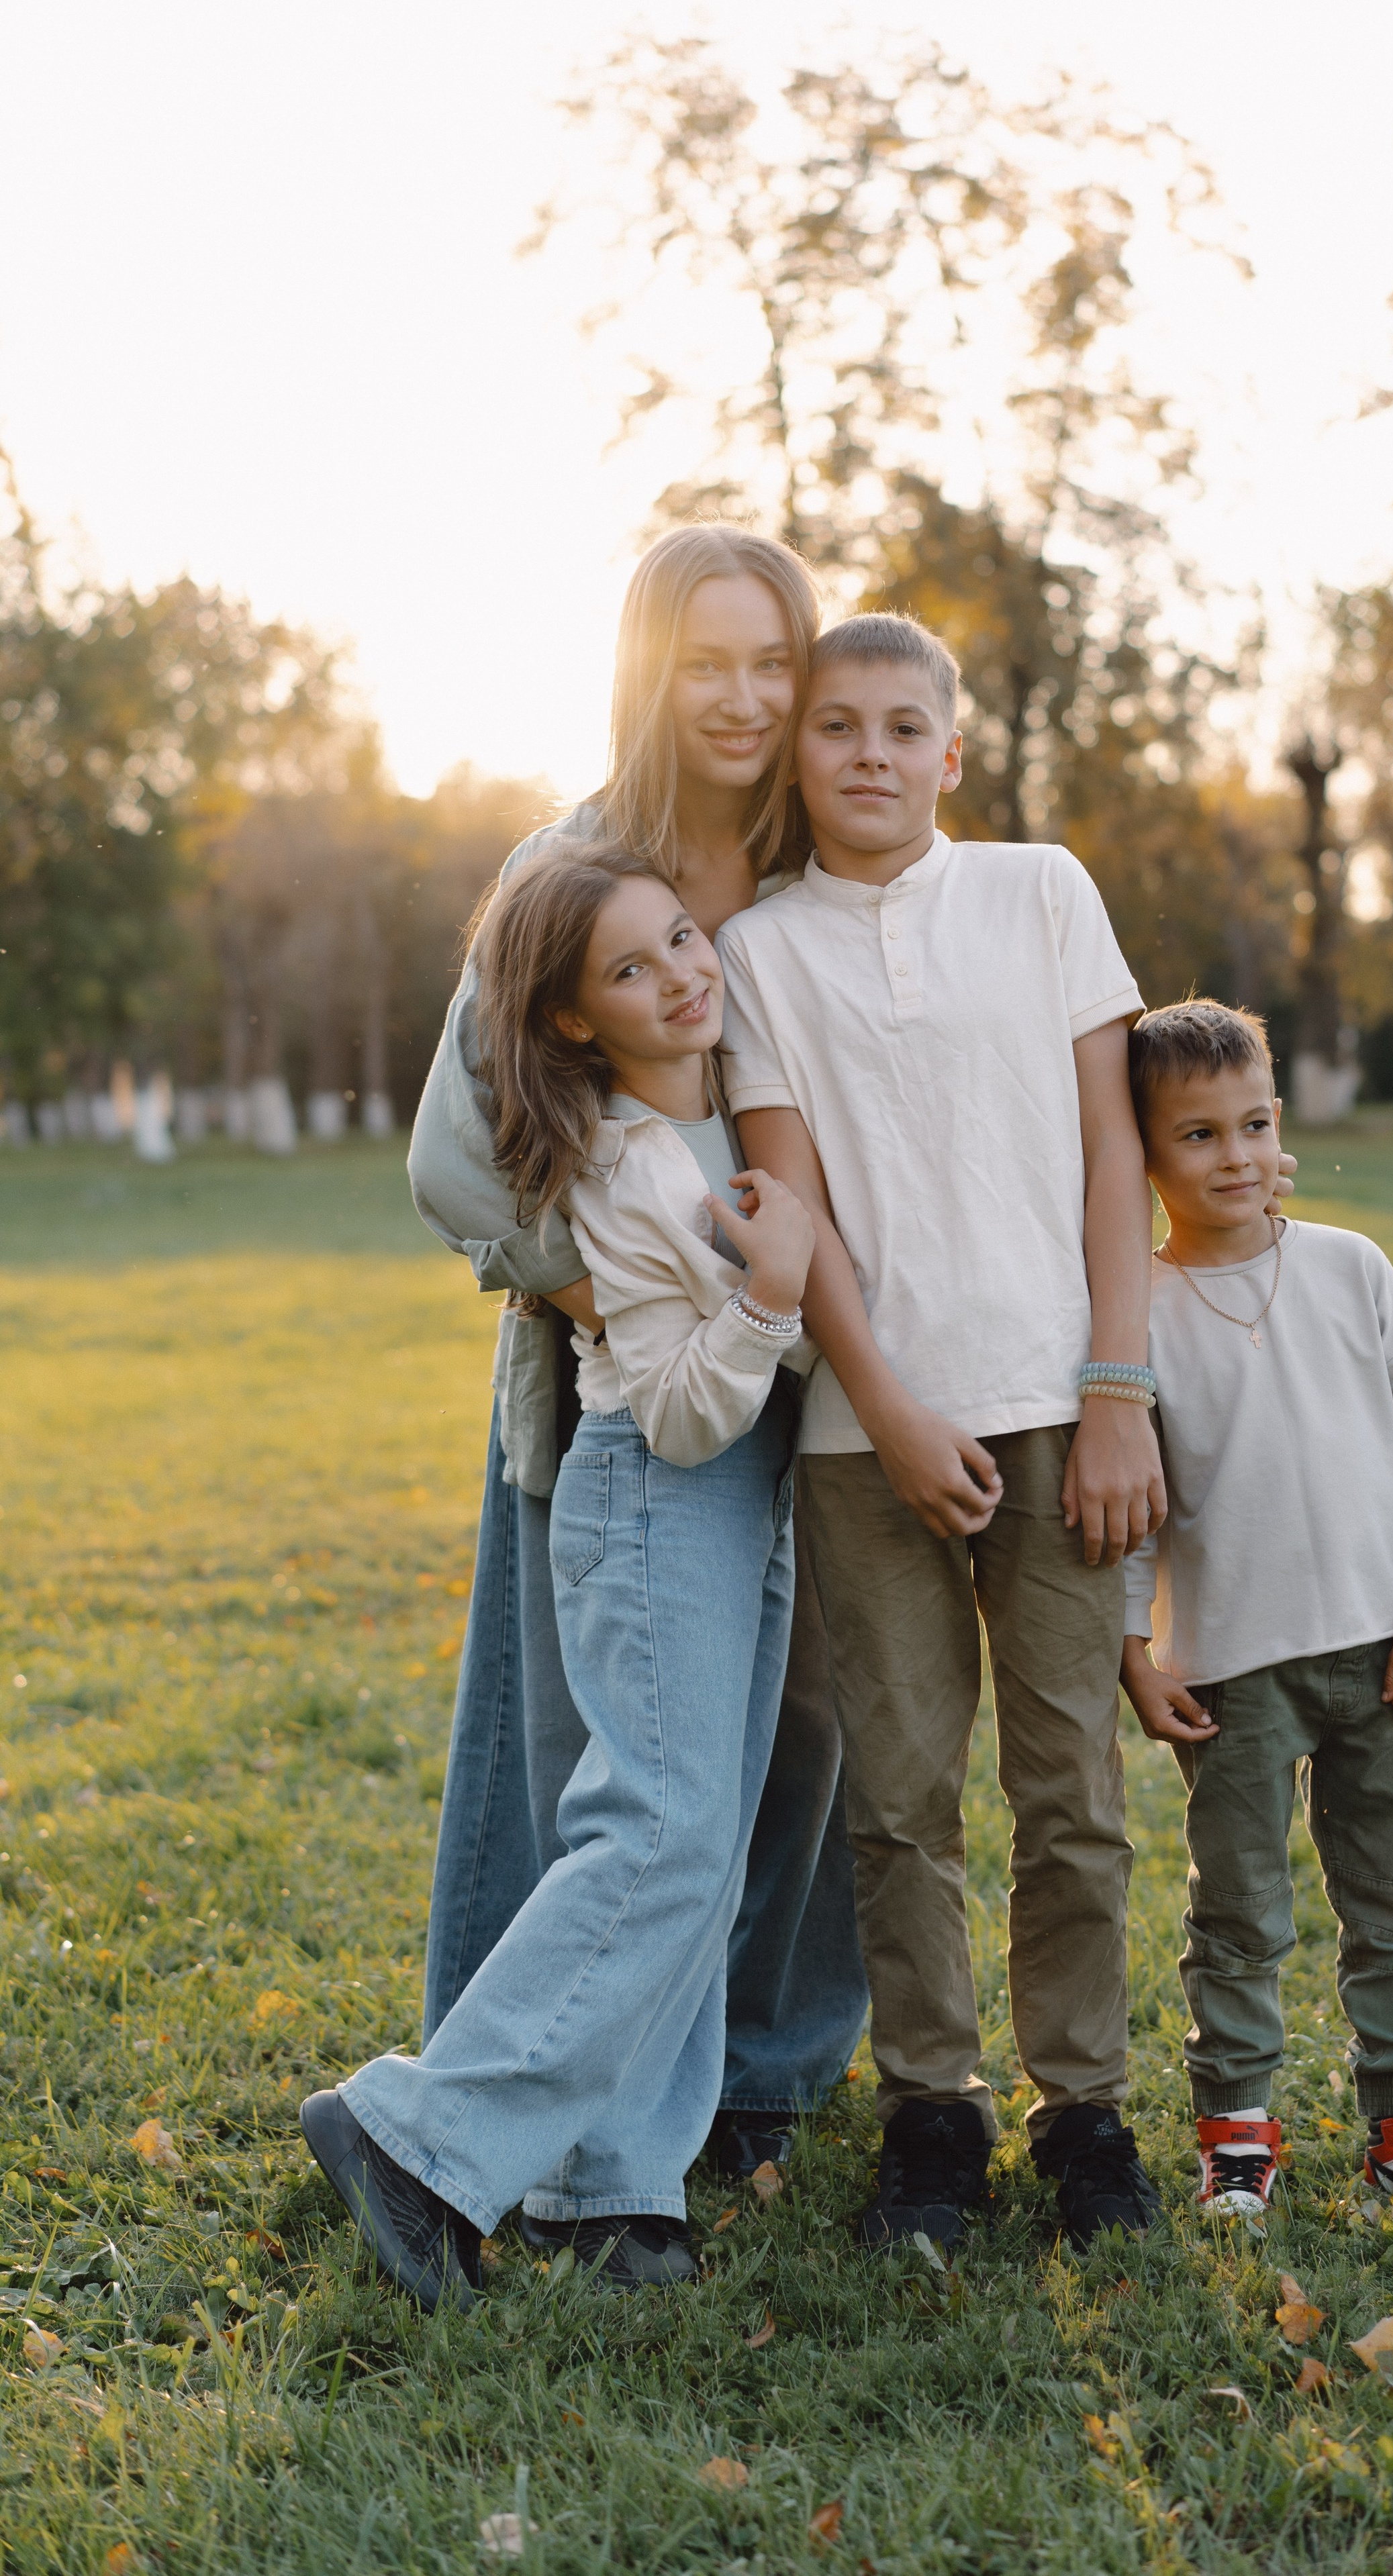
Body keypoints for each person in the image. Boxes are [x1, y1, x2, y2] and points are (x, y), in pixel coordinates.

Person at [407, 526, 867, 2182]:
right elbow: (454, 1164)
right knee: (606, 1745)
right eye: (705, 662)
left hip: (811, 1378)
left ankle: (763, 2070)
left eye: (772, 661)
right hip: (626, 1382)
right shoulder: (574, 864)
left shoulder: (830, 855)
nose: (744, 699)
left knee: (802, 1729)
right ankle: (553, 2098)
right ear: (645, 672)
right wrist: (605, 1287)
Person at [303, 848, 819, 2307]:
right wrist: (773, 1294)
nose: (680, 975)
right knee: (655, 1832)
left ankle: (606, 2179)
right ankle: (413, 2134)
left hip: (732, 1500)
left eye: (679, 940)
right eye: (632, 971)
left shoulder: (706, 1121)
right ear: (577, 1021)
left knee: (698, 1848)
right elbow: (675, 1407)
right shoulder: (638, 1168)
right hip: (657, 1494)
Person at [718, 612, 1169, 2253]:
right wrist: (890, 1410)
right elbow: (793, 1199)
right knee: (898, 1795)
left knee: (1069, 1787)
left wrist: (1117, 1390)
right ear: (801, 751)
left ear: (952, 754)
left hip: (1060, 1409)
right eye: (834, 726)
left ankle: (1083, 2112)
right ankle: (931, 2111)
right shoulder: (759, 948)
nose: (866, 755)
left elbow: (1113, 1159)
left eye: (902, 728)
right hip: (866, 1434)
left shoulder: (1040, 891)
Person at [1118, 998, 1393, 2218]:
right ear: (1145, 1154)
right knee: (1238, 1914)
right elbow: (1129, 1500)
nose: (1236, 1156)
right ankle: (1237, 2139)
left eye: (1255, 1123)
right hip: (1230, 1673)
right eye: (1199, 1135)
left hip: (1382, 1651)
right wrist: (1136, 1649)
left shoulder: (1350, 1267)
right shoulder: (1139, 1311)